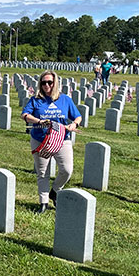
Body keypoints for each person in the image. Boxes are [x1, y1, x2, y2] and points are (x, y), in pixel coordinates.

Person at [21, 70, 81, 214]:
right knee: (43, 172)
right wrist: (39, 121)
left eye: (49, 82)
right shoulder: (35, 100)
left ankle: (55, 190)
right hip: (40, 140)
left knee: (67, 170)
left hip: (61, 139)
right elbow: (25, 114)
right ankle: (43, 202)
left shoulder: (65, 99)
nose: (46, 85)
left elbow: (77, 117)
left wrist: (74, 125)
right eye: (43, 83)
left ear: (55, 84)